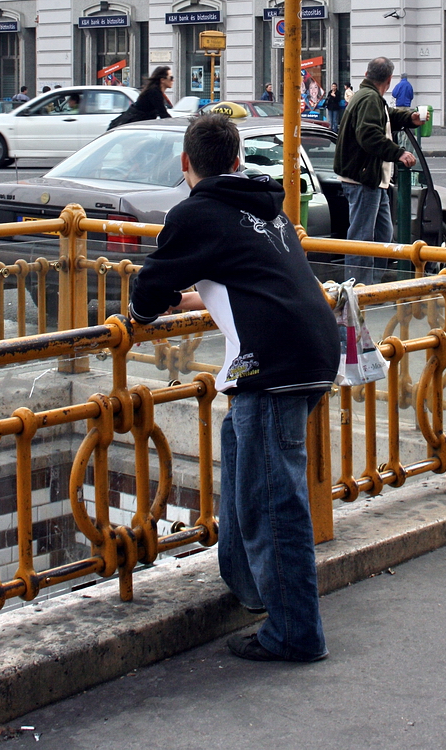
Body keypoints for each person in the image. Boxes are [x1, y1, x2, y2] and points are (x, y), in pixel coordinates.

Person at [129, 115, 339, 663]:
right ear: (237, 158)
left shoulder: (197, 212)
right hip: (310, 347)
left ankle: (295, 632)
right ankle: (250, 591)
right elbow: (244, 278)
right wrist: (188, 301)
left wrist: (138, 315)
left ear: (185, 163)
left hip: (271, 364)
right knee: (247, 468)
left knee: (274, 499)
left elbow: (148, 287)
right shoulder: (266, 205)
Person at [333, 57, 424, 284]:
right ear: (389, 80)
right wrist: (399, 153)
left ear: (367, 73)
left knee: (383, 235)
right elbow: (369, 134)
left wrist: (408, 118)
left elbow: (385, 117)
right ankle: (358, 293)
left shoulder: (368, 96)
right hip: (364, 180)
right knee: (362, 238)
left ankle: (370, 285)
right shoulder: (370, 99)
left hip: (372, 180)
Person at [107, 66, 174, 130]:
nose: (173, 80)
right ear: (162, 80)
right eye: (171, 78)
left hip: (135, 125)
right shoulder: (154, 92)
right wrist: (175, 124)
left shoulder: (155, 91)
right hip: (132, 126)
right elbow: (163, 114)